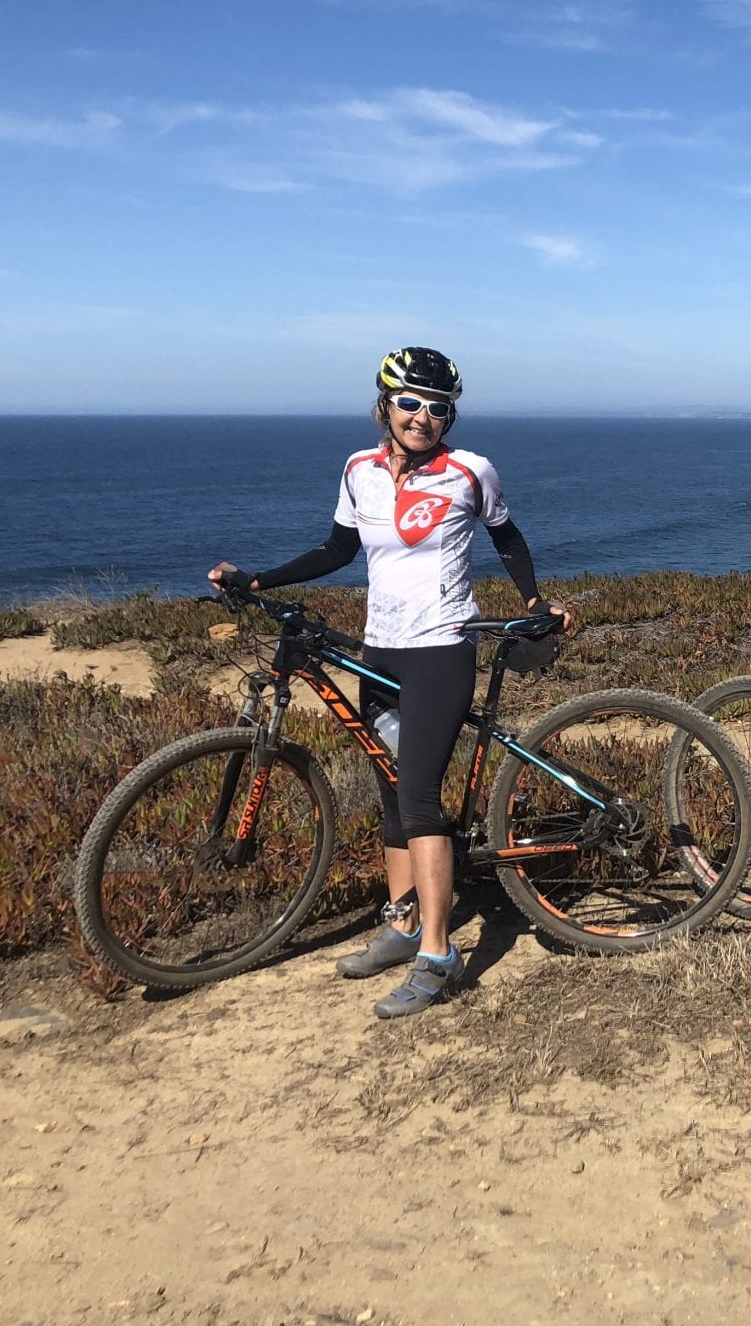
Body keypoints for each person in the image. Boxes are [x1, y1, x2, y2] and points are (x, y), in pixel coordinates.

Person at [209, 346, 564, 1018]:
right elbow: (337, 550)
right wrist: (259, 579)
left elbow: (508, 538)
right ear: (384, 405)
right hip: (381, 652)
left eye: (439, 408)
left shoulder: (469, 471)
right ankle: (403, 928)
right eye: (410, 403)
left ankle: (439, 954)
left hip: (439, 651)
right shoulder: (357, 471)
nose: (424, 417)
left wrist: (533, 600)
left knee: (422, 797)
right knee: (393, 796)